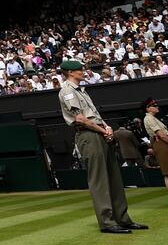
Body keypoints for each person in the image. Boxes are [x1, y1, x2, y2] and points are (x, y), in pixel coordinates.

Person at [58, 60, 145, 234]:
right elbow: (81, 119)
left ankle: (122, 218)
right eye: (79, 70)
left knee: (114, 177)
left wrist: (106, 127)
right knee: (99, 179)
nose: (82, 72)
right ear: (69, 72)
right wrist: (102, 130)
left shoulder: (81, 90)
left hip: (98, 132)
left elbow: (94, 114)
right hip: (88, 135)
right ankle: (107, 221)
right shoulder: (67, 91)